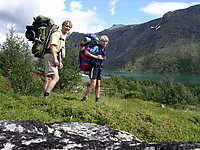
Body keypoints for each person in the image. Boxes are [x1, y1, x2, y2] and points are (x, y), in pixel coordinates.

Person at [43, 20, 73, 98]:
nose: (68, 28)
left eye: (70, 27)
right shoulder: (56, 34)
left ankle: (45, 96)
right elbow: (52, 46)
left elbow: (60, 50)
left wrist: (60, 61)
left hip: (53, 56)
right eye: (66, 26)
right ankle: (46, 94)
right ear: (62, 25)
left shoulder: (63, 36)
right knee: (56, 78)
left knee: (49, 78)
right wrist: (55, 59)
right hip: (50, 55)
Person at [81, 35, 109, 102]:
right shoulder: (96, 47)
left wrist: (103, 58)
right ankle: (84, 98)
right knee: (93, 84)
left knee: (98, 84)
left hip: (99, 67)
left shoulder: (103, 49)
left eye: (106, 42)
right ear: (100, 41)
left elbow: (100, 56)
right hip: (94, 67)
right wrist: (96, 57)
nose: (105, 43)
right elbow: (86, 53)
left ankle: (97, 98)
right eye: (103, 41)